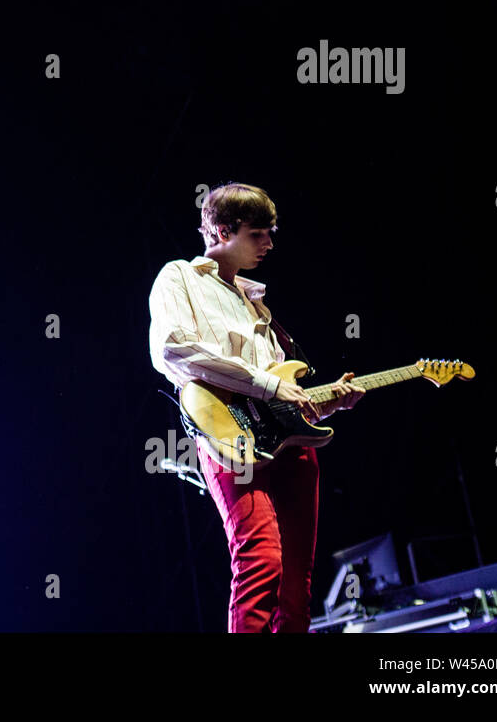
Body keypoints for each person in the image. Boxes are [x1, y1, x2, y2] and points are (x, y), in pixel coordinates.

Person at [148, 182, 363, 632]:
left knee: (296, 585)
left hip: (290, 445)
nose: (269, 243)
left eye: (272, 232)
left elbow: (282, 397)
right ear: (223, 230)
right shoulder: (179, 277)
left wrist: (323, 405)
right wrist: (267, 384)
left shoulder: (256, 301)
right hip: (229, 438)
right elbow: (172, 349)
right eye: (258, 233)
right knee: (261, 561)